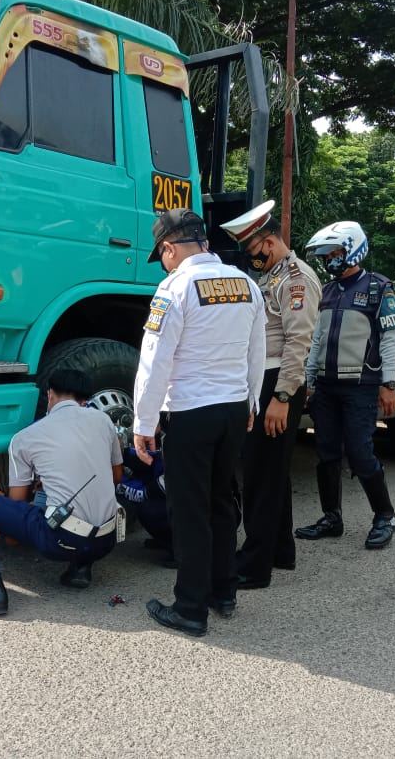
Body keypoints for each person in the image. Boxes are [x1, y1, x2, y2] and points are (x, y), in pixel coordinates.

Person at [134, 207, 265, 636]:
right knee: (221, 500)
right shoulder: (246, 283)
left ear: (169, 248)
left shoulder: (174, 288)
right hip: (233, 409)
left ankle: (190, 608)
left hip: (192, 411)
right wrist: (251, 402)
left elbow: (155, 361)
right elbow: (257, 350)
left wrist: (143, 423)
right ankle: (223, 591)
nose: (163, 263)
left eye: (161, 255)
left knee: (189, 509)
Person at [0, 368, 123, 616]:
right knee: (81, 499)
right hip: (106, 542)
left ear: (50, 395)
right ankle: (80, 568)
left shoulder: (25, 437)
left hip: (61, 542)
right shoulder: (103, 421)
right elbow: (116, 477)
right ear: (83, 399)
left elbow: (17, 501)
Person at [218, 199, 321, 589]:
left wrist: (281, 397)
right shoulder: (274, 277)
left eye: (252, 248)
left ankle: (254, 565)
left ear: (270, 241)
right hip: (269, 380)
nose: (250, 257)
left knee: (261, 475)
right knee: (272, 472)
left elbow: (298, 342)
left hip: (277, 382)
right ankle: (280, 550)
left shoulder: (296, 278)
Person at [295, 220, 395, 550]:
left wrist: (389, 383)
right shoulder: (326, 292)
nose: (330, 260)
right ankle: (332, 518)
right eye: (326, 255)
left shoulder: (378, 287)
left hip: (360, 386)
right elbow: (316, 340)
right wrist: (309, 381)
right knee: (326, 452)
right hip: (326, 387)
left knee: (359, 451)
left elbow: (389, 339)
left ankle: (385, 516)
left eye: (335, 253)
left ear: (353, 249)